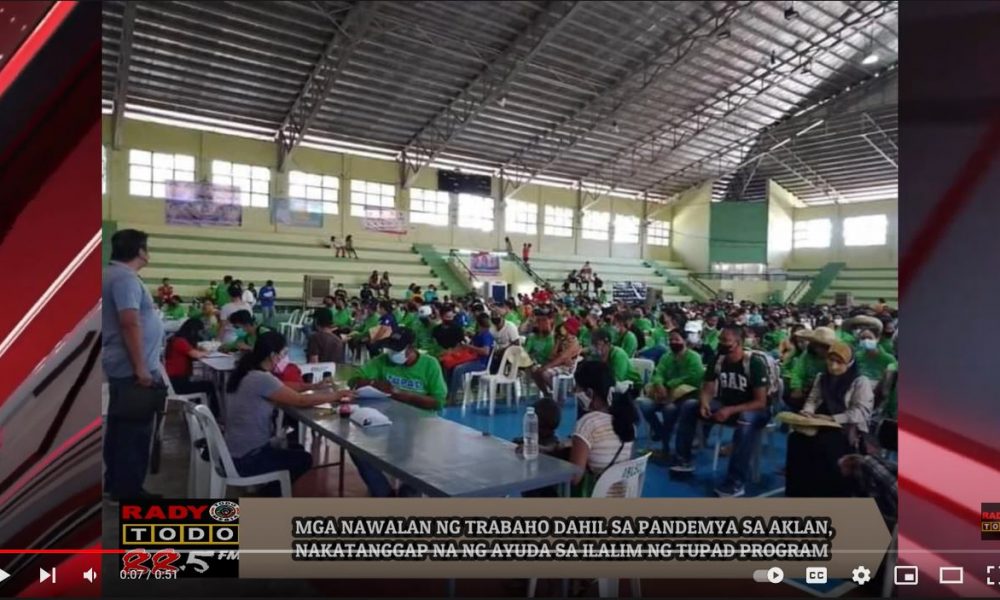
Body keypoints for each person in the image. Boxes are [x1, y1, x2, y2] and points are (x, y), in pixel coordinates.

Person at [224, 332, 353, 496]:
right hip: (247, 458)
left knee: (296, 449)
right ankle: (264, 497)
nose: (285, 358)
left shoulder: (247, 372)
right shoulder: (261, 379)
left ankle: (267, 489)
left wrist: (314, 386)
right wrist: (336, 395)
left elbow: (283, 386)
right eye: (283, 354)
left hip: (234, 450)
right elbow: (300, 401)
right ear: (273, 355)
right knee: (303, 459)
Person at [670, 326, 771, 497]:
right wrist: (704, 402)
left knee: (746, 419)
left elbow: (761, 402)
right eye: (720, 340)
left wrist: (731, 410)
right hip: (727, 405)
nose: (721, 344)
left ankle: (736, 482)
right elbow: (708, 387)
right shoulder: (718, 360)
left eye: (726, 341)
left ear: (738, 343)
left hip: (755, 410)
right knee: (689, 406)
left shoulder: (753, 363)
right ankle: (684, 460)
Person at [102, 229, 164, 500]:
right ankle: (128, 491)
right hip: (131, 368)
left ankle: (115, 484)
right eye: (146, 247)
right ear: (140, 251)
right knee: (134, 432)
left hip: (121, 365)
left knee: (119, 428)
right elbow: (129, 322)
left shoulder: (110, 274)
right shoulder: (125, 279)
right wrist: (140, 367)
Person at [348, 328, 447, 496]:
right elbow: (354, 381)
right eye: (390, 349)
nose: (392, 353)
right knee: (357, 450)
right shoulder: (383, 361)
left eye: (397, 350)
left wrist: (401, 395)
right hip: (386, 420)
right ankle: (384, 494)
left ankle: (407, 494)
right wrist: (373, 382)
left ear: (411, 348)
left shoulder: (430, 365)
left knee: (414, 470)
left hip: (421, 425)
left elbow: (437, 402)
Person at [786, 341, 874, 498]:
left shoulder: (860, 382)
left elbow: (862, 412)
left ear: (850, 362)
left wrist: (833, 418)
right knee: (796, 440)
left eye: (839, 362)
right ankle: (800, 493)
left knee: (825, 446)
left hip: (846, 429)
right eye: (830, 360)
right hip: (821, 423)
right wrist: (807, 412)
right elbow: (813, 399)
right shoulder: (822, 378)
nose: (833, 366)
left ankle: (827, 494)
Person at [568, 360, 639, 496]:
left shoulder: (587, 423)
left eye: (576, 388)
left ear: (589, 392)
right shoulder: (628, 422)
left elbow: (574, 478)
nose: (574, 392)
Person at [639, 329, 705, 461]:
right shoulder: (666, 357)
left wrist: (669, 384)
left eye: (677, 339)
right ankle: (659, 432)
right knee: (643, 404)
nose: (673, 342)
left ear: (685, 341)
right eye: (671, 340)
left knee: (669, 409)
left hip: (685, 397)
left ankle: (665, 447)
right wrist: (659, 384)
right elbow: (658, 373)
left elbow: (693, 378)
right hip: (663, 394)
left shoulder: (693, 358)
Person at [164, 319, 220, 415]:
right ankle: (213, 414)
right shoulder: (180, 341)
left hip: (175, 380)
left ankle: (200, 410)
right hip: (177, 382)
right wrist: (208, 352)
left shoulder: (176, 339)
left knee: (205, 384)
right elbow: (195, 355)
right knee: (209, 386)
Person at [446, 313, 495, 404]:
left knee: (458, 369)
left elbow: (485, 351)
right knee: (450, 365)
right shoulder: (478, 334)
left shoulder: (486, 335)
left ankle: (453, 396)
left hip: (481, 363)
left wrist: (469, 347)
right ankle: (449, 391)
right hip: (473, 359)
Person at [530, 318, 582, 398]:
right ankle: (546, 393)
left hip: (566, 368)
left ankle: (559, 393)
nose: (562, 328)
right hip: (557, 364)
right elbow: (552, 355)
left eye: (564, 327)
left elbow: (562, 358)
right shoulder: (561, 340)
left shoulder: (574, 343)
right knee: (534, 371)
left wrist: (546, 367)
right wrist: (558, 342)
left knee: (545, 373)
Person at [787, 326, 836, 409]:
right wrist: (797, 387)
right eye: (818, 345)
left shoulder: (835, 358)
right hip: (807, 388)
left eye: (823, 346)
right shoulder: (807, 355)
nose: (819, 349)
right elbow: (798, 372)